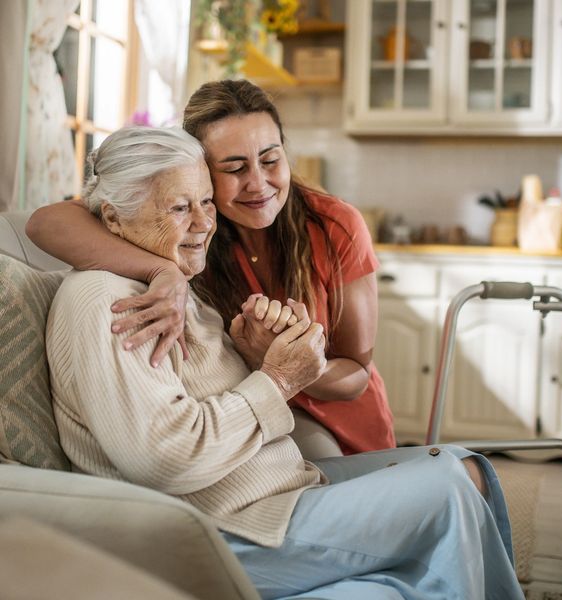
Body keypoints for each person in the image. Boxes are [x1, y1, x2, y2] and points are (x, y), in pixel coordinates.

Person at [45, 126, 524, 599]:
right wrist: (276, 379)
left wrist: (263, 352)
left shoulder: (167, 286)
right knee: (447, 489)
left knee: (465, 466)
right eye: (177, 207)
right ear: (112, 217)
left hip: (279, 493)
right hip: (233, 528)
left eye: (206, 201)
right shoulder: (108, 302)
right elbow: (166, 457)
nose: (204, 222)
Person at [27, 79, 395, 457]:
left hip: (345, 425)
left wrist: (292, 364)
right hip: (252, 423)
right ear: (201, 170)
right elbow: (45, 223)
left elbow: (357, 374)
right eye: (234, 168)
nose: (258, 184)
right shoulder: (194, 233)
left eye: (271, 160)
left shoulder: (333, 226)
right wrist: (163, 271)